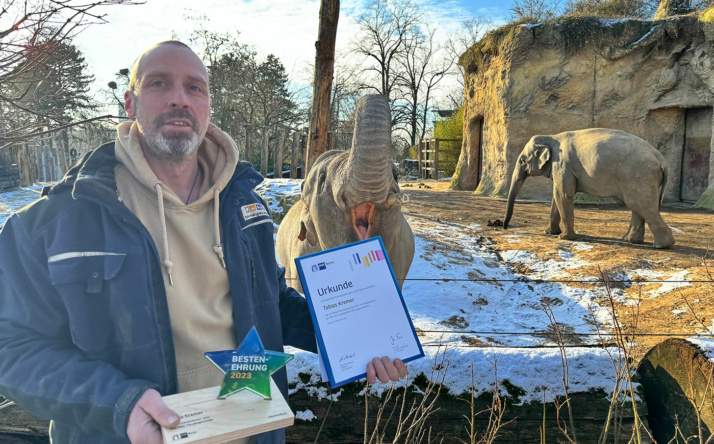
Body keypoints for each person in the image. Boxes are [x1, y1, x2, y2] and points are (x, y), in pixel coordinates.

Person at [0, 41, 407, 444]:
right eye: (159, 84)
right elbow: (11, 348)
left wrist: (355, 339)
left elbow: (270, 303)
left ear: (208, 106)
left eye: (194, 88)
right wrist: (118, 402)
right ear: (130, 102)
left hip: (251, 432)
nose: (180, 98)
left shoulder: (246, 206)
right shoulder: (54, 222)